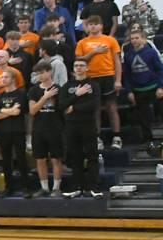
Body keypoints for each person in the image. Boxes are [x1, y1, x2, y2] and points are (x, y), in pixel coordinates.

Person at [77, 15, 125, 149]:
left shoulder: (110, 40)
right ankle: (97, 138)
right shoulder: (82, 42)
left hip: (108, 76)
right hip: (91, 77)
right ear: (87, 26)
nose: (93, 26)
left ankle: (117, 136)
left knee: (111, 106)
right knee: (95, 108)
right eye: (90, 24)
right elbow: (80, 61)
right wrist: (95, 52)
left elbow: (117, 61)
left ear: (101, 26)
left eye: (95, 24)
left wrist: (118, 80)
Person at [61, 59, 102, 198]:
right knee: (75, 157)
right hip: (71, 125)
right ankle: (77, 187)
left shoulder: (93, 85)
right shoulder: (67, 86)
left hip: (88, 124)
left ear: (87, 68)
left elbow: (93, 105)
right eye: (76, 65)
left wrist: (74, 107)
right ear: (73, 69)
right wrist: (76, 95)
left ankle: (94, 187)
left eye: (81, 66)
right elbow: (61, 105)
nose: (78, 68)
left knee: (92, 156)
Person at [28, 64, 66, 197]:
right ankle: (44, 188)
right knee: (40, 159)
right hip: (39, 129)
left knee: (56, 159)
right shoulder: (33, 90)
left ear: (49, 72)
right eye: (38, 73)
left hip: (55, 128)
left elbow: (63, 110)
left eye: (42, 72)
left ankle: (56, 187)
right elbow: (32, 111)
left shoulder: (59, 89)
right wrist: (45, 97)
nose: (40, 75)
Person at [123, 29, 163, 141]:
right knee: (143, 117)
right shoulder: (128, 56)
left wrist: (160, 87)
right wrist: (129, 91)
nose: (134, 41)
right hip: (138, 89)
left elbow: (160, 70)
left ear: (143, 39)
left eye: (137, 38)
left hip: (154, 87)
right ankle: (147, 139)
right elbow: (127, 75)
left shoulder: (151, 53)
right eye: (132, 39)